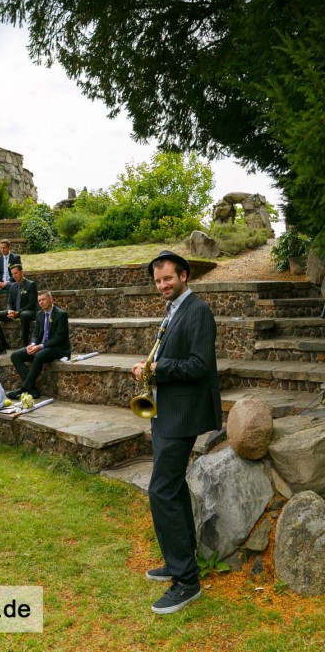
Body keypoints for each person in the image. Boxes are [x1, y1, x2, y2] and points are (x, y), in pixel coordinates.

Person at [131, 250, 221, 615]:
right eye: (158, 281)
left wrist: (158, 367)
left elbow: (200, 365)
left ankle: (187, 581)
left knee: (161, 490)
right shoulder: (173, 310)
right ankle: (178, 559)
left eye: (168, 278)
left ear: (184, 275)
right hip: (168, 410)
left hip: (182, 413)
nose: (163, 285)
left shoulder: (198, 310)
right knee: (174, 488)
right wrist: (148, 367)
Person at [8, 291, 70, 398]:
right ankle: (32, 389)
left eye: (43, 299)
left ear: (51, 300)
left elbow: (58, 339)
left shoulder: (61, 314)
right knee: (15, 355)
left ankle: (24, 389)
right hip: (41, 346)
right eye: (39, 301)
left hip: (57, 348)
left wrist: (40, 347)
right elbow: (36, 334)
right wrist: (32, 344)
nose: (41, 302)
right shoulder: (39, 314)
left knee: (39, 355)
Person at [0, 263, 38, 354]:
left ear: (22, 272)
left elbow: (32, 304)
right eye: (12, 274)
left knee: (24, 315)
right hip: (14, 311)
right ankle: (2, 344)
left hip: (29, 311)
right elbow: (9, 302)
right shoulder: (12, 286)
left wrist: (18, 312)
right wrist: (9, 310)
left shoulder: (31, 284)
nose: (14, 276)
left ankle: (24, 345)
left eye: (16, 273)